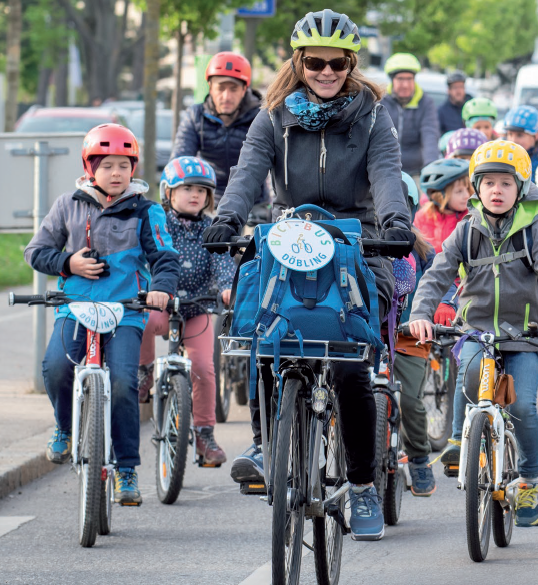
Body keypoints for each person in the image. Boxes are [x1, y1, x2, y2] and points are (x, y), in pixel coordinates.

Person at [202, 10, 416, 541]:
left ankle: (363, 484)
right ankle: (266, 441)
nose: (325, 71)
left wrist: (394, 222)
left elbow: (387, 173)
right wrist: (227, 218)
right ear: (299, 63)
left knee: (348, 366)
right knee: (265, 331)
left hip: (358, 239)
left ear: (351, 64)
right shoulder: (273, 115)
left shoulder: (372, 116)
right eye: (315, 62)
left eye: (336, 63)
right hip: (291, 235)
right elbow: (248, 171)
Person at [409, 140, 538, 527]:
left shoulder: (534, 232)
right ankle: (463, 443)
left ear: (520, 189)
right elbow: (435, 277)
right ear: (476, 189)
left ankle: (530, 480)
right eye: (488, 183)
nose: (497, 191)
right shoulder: (465, 232)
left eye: (506, 183)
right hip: (477, 333)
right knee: (467, 380)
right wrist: (420, 313)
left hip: (525, 337)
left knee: (523, 407)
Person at [24, 124, 180, 506]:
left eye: (123, 165)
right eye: (106, 164)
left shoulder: (147, 211)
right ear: (89, 166)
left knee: (125, 383)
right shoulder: (68, 205)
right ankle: (63, 429)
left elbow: (165, 258)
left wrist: (161, 289)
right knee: (56, 367)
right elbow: (36, 251)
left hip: (125, 311)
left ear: (134, 168)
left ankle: (126, 470)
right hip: (74, 307)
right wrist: (68, 262)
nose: (115, 173)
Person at [138, 156, 235, 467]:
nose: (195, 195)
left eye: (202, 190)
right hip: (161, 302)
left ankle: (205, 434)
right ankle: (144, 373)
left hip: (198, 307)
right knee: (145, 323)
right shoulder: (158, 222)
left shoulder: (212, 228)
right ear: (168, 192)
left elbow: (222, 262)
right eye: (187, 188)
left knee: (204, 368)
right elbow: (146, 256)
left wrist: (227, 286)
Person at [171, 52, 270, 213]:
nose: (226, 96)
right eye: (220, 88)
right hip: (210, 199)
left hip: (252, 200)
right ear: (210, 87)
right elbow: (180, 161)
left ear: (245, 89)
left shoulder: (261, 116)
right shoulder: (196, 116)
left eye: (233, 89)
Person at [394, 174, 439, 496]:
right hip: (367, 337)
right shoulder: (353, 243)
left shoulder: (421, 250)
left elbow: (443, 279)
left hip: (409, 337)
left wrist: (445, 304)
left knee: (411, 402)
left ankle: (420, 457)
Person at [379, 52, 441, 177]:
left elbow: (430, 135)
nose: (406, 85)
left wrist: (431, 168)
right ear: (392, 80)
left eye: (409, 79)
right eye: (401, 79)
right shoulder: (380, 101)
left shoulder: (425, 103)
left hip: (415, 172)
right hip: (383, 170)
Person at [416, 158, 472, 253]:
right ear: (440, 196)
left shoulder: (471, 217)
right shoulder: (421, 218)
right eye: (459, 191)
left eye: (467, 189)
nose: (467, 195)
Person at [503, 105, 538, 175]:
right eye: (510, 134)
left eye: (520, 135)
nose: (513, 141)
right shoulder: (500, 156)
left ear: (536, 135)